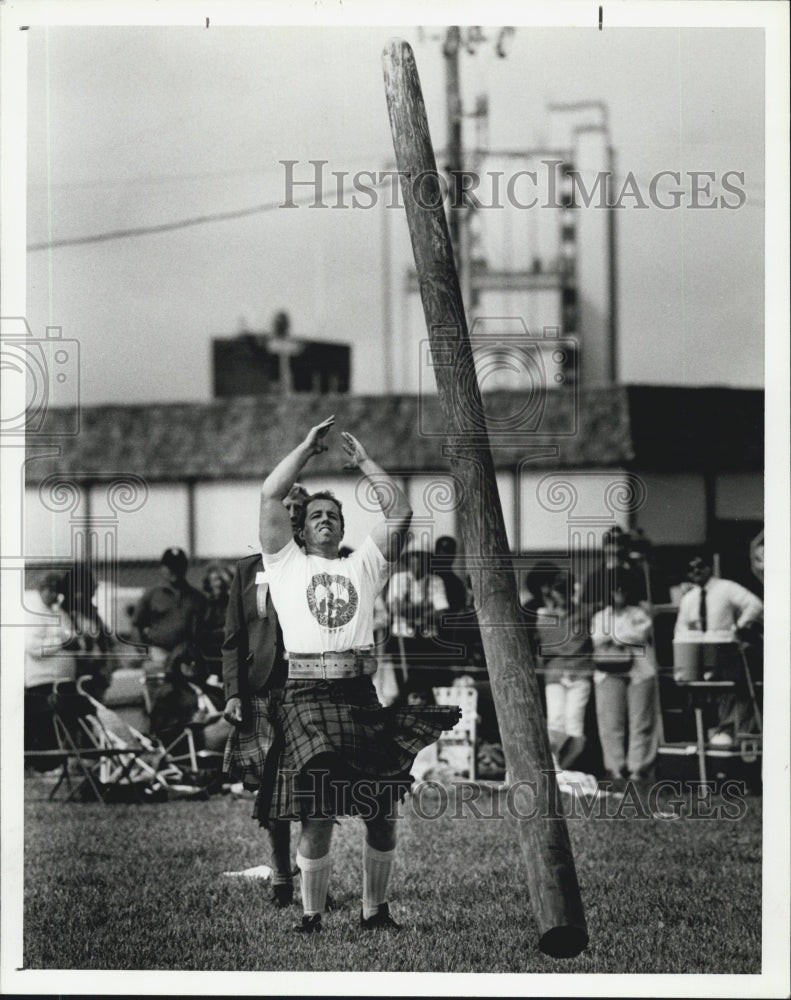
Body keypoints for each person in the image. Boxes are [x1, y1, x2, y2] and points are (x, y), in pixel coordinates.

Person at [256, 416, 459, 934]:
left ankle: (375, 911)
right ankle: (311, 915)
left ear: (344, 529)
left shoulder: (364, 565)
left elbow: (403, 510)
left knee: (380, 807)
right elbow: (270, 493)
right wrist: (305, 448)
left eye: (334, 515)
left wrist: (364, 463)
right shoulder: (284, 563)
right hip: (304, 694)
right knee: (318, 810)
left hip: (356, 692)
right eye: (317, 515)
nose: (326, 519)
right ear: (300, 528)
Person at [221, 483, 309, 908]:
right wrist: (234, 692)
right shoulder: (247, 569)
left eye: (298, 509)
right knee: (271, 789)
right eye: (284, 506)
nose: (290, 514)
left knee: (310, 786)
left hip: (309, 688)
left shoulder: (320, 566)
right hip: (260, 691)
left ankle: (311, 873)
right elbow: (234, 638)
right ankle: (280, 877)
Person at [674, 553, 763, 745]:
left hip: (725, 645)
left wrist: (738, 626)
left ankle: (731, 731)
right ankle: (709, 735)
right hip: (698, 650)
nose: (696, 571)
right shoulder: (690, 597)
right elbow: (681, 628)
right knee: (701, 693)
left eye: (700, 566)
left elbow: (754, 604)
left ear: (709, 567)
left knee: (728, 690)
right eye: (691, 569)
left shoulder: (726, 588)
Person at [591, 570, 659, 789]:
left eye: (622, 589)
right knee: (610, 721)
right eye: (614, 589)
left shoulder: (639, 612)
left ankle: (639, 768)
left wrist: (615, 636)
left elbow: (640, 634)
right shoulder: (601, 615)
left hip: (640, 670)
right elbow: (596, 637)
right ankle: (615, 768)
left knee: (641, 720)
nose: (618, 593)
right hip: (608, 670)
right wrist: (621, 636)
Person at [132, 547, 208, 712]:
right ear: (162, 568)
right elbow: (137, 625)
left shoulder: (197, 597)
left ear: (185, 567)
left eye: (178, 566)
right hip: (159, 654)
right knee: (159, 700)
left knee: (189, 699)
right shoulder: (151, 595)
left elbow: (204, 628)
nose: (174, 571)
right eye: (170, 566)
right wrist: (144, 653)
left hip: (186, 656)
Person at [24, 570, 90, 760]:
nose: (53, 594)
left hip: (62, 681)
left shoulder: (59, 612)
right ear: (40, 590)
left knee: (64, 726)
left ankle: (61, 763)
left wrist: (77, 644)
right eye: (48, 590)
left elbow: (74, 638)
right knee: (47, 728)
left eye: (56, 590)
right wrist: (61, 644)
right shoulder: (34, 613)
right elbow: (32, 647)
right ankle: (46, 766)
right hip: (43, 682)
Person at [536, 573, 593, 771]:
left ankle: (565, 769)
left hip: (580, 673)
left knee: (574, 725)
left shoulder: (585, 612)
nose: (561, 595)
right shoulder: (543, 617)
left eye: (565, 590)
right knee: (555, 723)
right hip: (555, 674)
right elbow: (548, 648)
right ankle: (555, 769)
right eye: (558, 590)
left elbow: (561, 647)